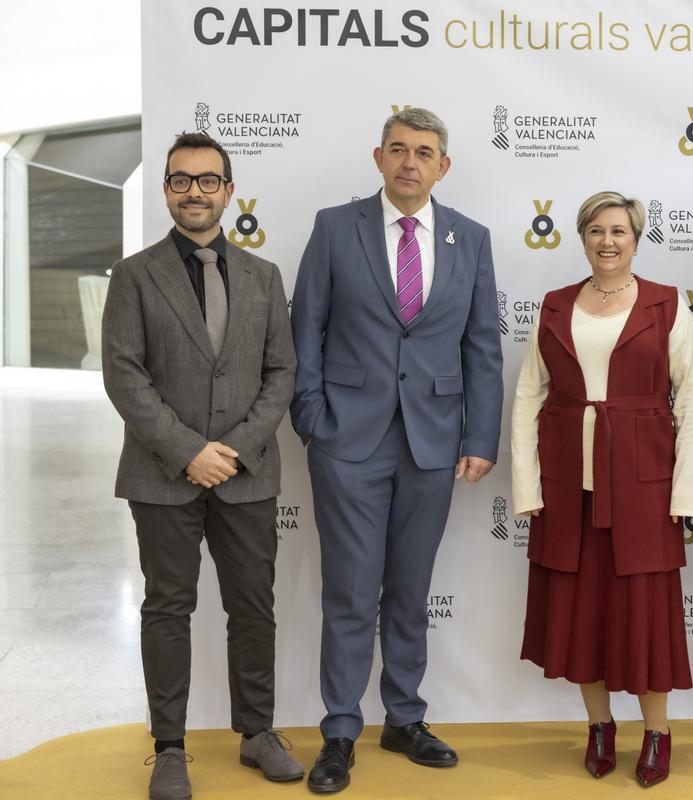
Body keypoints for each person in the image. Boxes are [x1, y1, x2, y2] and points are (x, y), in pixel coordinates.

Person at [290, 107, 503, 794]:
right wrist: (313, 420)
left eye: (425, 152)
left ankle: (404, 717)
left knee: (410, 592)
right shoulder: (334, 227)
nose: (411, 162)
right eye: (399, 149)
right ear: (378, 158)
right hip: (346, 439)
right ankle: (341, 728)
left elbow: (483, 345)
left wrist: (479, 436)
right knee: (351, 591)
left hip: (434, 442)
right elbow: (307, 330)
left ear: (444, 166)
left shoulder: (469, 237)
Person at [101, 132, 300, 800]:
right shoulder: (133, 276)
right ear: (165, 190)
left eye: (207, 180)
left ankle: (257, 734)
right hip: (162, 474)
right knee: (167, 608)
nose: (194, 191)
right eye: (181, 180)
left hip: (247, 474)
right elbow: (124, 376)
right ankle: (168, 749)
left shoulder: (264, 278)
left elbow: (282, 373)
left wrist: (233, 451)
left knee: (252, 608)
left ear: (228, 190)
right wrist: (188, 450)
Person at [510, 191, 693, 788]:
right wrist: (528, 487)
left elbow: (692, 401)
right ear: (582, 237)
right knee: (578, 615)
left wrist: (683, 496)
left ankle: (657, 732)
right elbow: (527, 397)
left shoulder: (666, 304)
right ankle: (599, 727)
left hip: (644, 486)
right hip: (569, 487)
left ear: (636, 237)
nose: (607, 241)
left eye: (619, 230)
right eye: (596, 230)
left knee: (645, 617)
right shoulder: (554, 306)